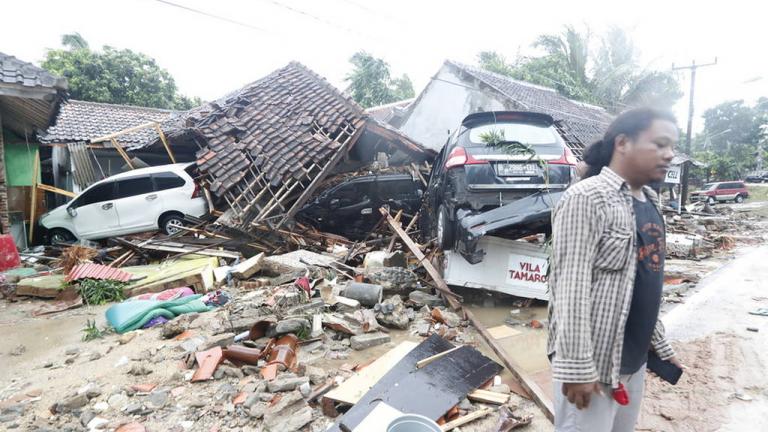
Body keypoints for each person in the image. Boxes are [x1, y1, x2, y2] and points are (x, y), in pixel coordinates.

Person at [548, 108, 684, 431]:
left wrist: (660, 347)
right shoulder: (586, 198)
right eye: (660, 144)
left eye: (672, 147)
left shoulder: (650, 202)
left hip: (631, 363)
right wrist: (577, 368)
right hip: (592, 368)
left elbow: (644, 283)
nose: (669, 155)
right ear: (623, 143)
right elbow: (569, 288)